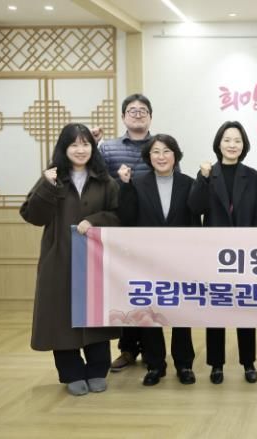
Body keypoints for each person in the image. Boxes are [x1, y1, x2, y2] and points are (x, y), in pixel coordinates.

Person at [20, 123, 120, 396]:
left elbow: (118, 215)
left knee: (95, 315)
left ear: (92, 148)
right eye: (73, 144)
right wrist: (47, 185)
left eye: (85, 144)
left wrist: (95, 220)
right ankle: (72, 372)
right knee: (60, 317)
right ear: (64, 149)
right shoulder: (52, 178)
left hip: (96, 262)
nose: (80, 150)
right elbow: (33, 216)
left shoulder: (105, 181)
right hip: (59, 259)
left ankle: (97, 370)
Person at [116, 134, 200, 386]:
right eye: (155, 152)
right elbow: (127, 219)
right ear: (148, 157)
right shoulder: (137, 183)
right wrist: (124, 186)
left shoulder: (189, 183)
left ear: (175, 155)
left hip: (179, 261)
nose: (161, 157)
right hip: (147, 260)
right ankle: (155, 365)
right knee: (149, 314)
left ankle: (184, 365)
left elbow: (195, 221)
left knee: (181, 314)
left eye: (166, 151)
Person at [188, 121, 257, 385]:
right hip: (215, 254)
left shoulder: (251, 175)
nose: (232, 145)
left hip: (245, 254)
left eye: (237, 140)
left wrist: (256, 250)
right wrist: (202, 178)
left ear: (244, 146)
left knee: (245, 308)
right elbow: (194, 207)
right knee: (216, 308)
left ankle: (248, 362)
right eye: (227, 140)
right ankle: (216, 364)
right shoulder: (208, 173)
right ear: (218, 143)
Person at [99, 93, 154, 372]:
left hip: (152, 230)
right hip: (120, 229)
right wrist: (118, 181)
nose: (137, 113)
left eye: (143, 110)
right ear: (123, 117)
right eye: (132, 110)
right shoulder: (108, 148)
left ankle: (152, 350)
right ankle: (128, 349)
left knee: (150, 291)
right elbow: (96, 179)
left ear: (150, 117)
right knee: (126, 290)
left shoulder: (159, 146)